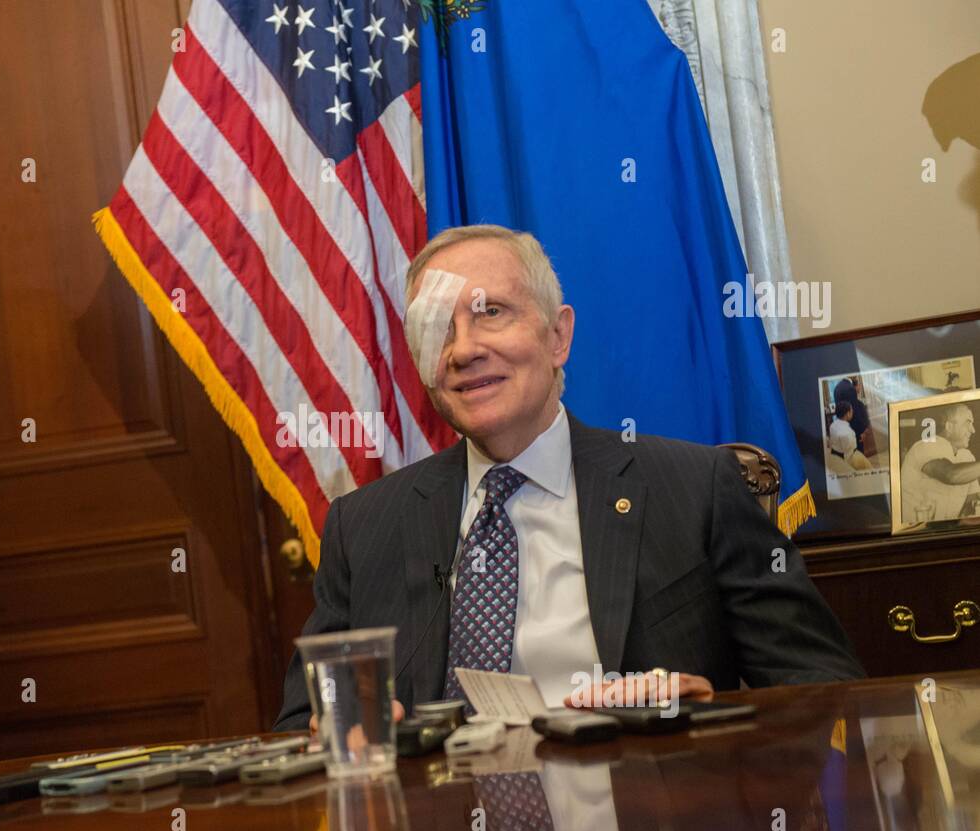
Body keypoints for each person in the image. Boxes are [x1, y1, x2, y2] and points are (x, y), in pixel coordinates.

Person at [275, 224, 863, 731]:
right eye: (438, 330)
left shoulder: (693, 490)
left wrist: (706, 720)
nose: (463, 350)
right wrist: (350, 729)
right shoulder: (365, 526)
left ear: (558, 336)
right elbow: (305, 725)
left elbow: (825, 688)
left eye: (491, 313)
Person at [900, 402, 980, 522]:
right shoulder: (925, 446)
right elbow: (950, 475)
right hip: (915, 531)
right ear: (949, 426)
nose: (973, 430)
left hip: (946, 531)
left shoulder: (967, 456)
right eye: (967, 423)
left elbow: (971, 502)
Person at [828, 401, 871, 471]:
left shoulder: (833, 425)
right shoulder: (846, 433)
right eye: (851, 411)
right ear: (847, 414)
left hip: (835, 455)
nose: (853, 412)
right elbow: (849, 452)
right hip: (848, 457)